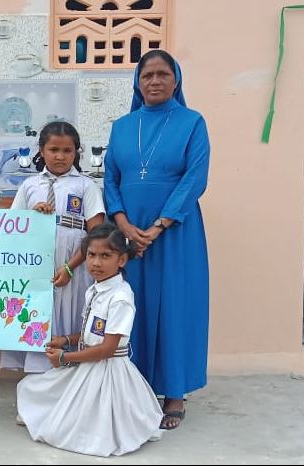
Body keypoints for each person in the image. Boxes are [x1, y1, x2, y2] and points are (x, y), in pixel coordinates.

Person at [103, 49, 211, 430]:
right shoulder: (122, 126)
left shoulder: (192, 122)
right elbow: (110, 178)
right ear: (137, 82)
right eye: (147, 75)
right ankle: (133, 388)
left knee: (175, 307)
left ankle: (175, 394)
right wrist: (122, 223)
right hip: (128, 233)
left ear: (176, 79)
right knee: (131, 306)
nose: (154, 81)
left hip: (177, 231)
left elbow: (195, 177)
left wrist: (159, 225)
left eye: (163, 74)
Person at [16, 223, 163, 457]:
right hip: (88, 363)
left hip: (108, 371)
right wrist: (65, 340)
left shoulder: (120, 298)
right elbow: (90, 332)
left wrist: (65, 358)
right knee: (32, 388)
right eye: (91, 255)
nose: (96, 263)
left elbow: (107, 348)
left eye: (106, 256)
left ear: (122, 260)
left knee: (79, 427)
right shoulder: (94, 289)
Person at [1, 121, 105, 376]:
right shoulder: (29, 186)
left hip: (74, 265)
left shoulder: (86, 185)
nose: (60, 156)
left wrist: (70, 267)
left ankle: (70, 377)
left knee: (70, 312)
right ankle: (38, 381)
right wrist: (33, 218)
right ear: (41, 151)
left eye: (67, 151)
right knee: (40, 313)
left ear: (76, 152)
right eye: (53, 150)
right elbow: (11, 228)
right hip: (37, 267)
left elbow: (97, 233)